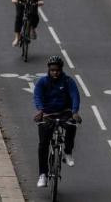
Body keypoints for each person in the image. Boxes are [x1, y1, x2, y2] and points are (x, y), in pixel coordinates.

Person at [34, 55, 82, 188]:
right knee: (43, 144)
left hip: (64, 113)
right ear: (48, 70)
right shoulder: (42, 82)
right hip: (47, 113)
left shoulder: (68, 81)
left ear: (61, 70)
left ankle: (67, 153)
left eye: (57, 70)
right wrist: (40, 110)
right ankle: (43, 174)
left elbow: (75, 95)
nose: (55, 72)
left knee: (71, 125)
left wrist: (75, 111)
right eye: (52, 70)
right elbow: (37, 96)